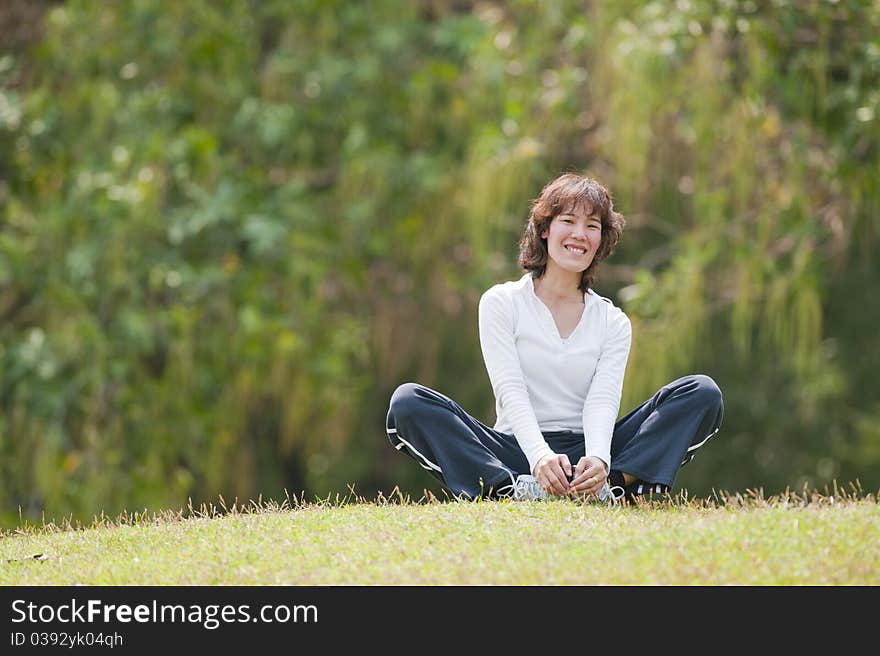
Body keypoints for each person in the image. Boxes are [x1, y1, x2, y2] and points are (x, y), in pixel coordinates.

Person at [385, 173, 723, 503]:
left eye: (592, 226)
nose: (580, 234)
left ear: (601, 241)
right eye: (569, 221)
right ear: (545, 230)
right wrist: (540, 458)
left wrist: (599, 460)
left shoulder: (612, 321)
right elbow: (510, 390)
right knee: (408, 402)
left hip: (587, 450)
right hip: (515, 452)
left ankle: (611, 488)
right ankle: (510, 489)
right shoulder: (502, 302)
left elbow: (602, 400)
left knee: (701, 393)